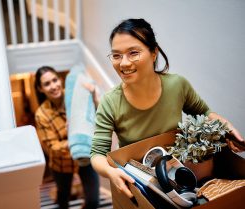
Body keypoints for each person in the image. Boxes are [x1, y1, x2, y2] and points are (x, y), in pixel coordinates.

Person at [90, 18, 244, 199]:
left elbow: (204, 112)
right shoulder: (110, 102)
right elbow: (97, 154)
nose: (123, 63)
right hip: (141, 184)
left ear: (153, 52)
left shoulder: (177, 85)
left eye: (133, 53)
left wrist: (226, 126)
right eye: (116, 55)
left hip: (178, 174)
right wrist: (111, 172)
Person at [34, 66, 99, 209]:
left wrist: (94, 96)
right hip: (61, 164)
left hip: (86, 156)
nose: (53, 86)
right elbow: (52, 147)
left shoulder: (74, 95)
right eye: (47, 84)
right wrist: (74, 135)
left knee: (93, 200)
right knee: (63, 197)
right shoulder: (41, 114)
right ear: (40, 89)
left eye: (54, 80)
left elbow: (95, 114)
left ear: (60, 79)